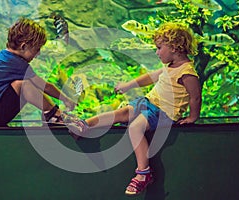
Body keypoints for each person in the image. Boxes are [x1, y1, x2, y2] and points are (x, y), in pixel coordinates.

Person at [68, 22, 202, 196]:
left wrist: (193, 117)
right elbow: (151, 77)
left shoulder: (187, 72)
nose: (157, 52)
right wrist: (128, 85)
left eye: (159, 48)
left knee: (135, 127)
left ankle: (143, 172)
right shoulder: (169, 66)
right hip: (149, 102)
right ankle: (85, 125)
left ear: (175, 47)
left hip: (163, 113)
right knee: (121, 113)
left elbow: (195, 96)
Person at [0, 17, 76, 127]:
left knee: (19, 84)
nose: (37, 55)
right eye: (37, 50)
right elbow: (45, 86)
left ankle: (51, 113)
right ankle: (53, 114)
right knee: (23, 85)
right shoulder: (18, 64)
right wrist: (66, 100)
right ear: (24, 46)